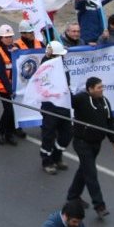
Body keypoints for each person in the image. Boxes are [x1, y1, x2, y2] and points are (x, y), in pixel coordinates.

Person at [67, 77, 114, 218]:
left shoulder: (104, 102)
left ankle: (73, 196)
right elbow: (66, 99)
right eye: (98, 87)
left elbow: (109, 123)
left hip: (96, 144)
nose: (101, 90)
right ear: (89, 89)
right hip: (82, 142)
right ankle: (99, 205)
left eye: (102, 87)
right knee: (91, 173)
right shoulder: (81, 99)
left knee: (84, 170)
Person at [40, 41, 73, 175]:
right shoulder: (45, 66)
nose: (62, 57)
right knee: (49, 135)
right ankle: (47, 161)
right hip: (51, 106)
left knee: (67, 133)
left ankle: (57, 156)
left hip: (64, 104)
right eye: (59, 55)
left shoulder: (62, 64)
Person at [0, 25, 21, 145]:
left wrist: (17, 53)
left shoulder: (14, 48)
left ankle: (10, 133)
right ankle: (1, 131)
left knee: (14, 110)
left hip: (15, 85)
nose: (9, 39)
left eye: (10, 37)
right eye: (6, 37)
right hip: (4, 87)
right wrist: (9, 90)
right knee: (8, 110)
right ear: (1, 39)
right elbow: (2, 74)